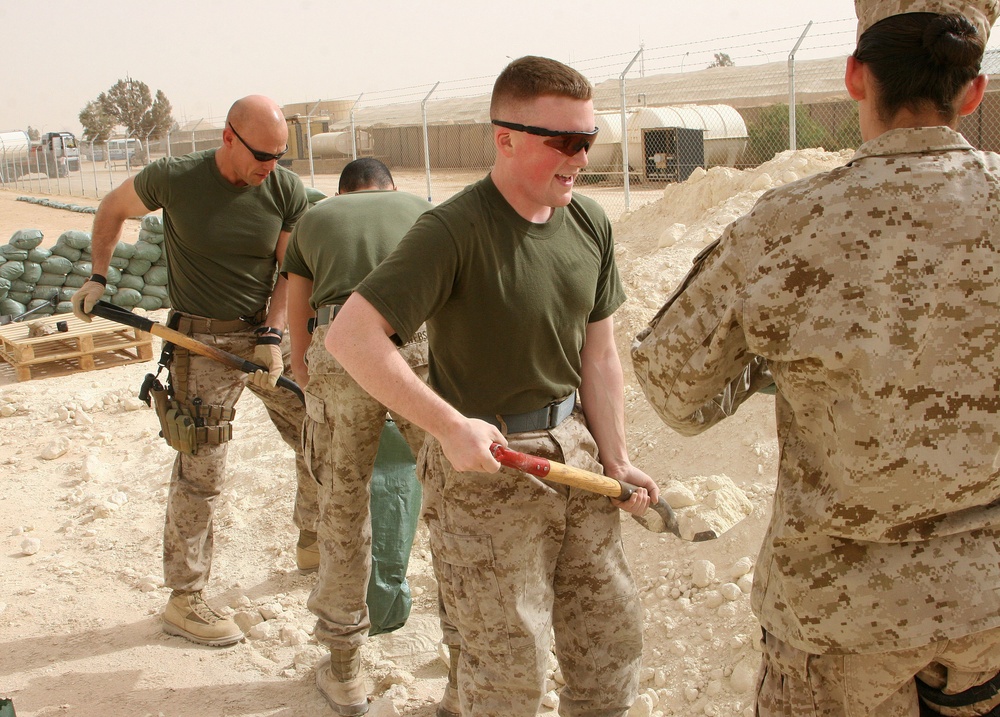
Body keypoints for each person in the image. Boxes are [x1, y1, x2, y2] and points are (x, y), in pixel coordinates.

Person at [632, 2, 1000, 715]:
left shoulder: (783, 225)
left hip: (837, 619)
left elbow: (674, 387)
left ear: (855, 77)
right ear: (975, 91)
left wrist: (777, 366)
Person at [326, 56, 658, 717]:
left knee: (609, 648)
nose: (580, 158)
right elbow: (352, 337)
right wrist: (450, 426)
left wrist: (616, 456)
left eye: (588, 140)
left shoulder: (589, 223)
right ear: (504, 138)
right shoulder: (452, 231)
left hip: (577, 455)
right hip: (490, 467)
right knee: (506, 675)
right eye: (563, 141)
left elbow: (600, 355)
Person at [71, 95, 320, 647]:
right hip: (198, 341)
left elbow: (291, 269)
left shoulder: (283, 189)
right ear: (229, 137)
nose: (271, 167)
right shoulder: (174, 178)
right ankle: (185, 599)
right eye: (262, 154)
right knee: (200, 472)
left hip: (262, 340)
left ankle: (314, 536)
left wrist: (273, 337)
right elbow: (112, 209)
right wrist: (98, 277)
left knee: (316, 431)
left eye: (281, 155)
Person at [280, 158, 439, 715]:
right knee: (450, 498)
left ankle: (345, 670)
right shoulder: (421, 209)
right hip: (416, 343)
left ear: (343, 192)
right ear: (389, 188)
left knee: (342, 510)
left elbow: (298, 324)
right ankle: (470, 654)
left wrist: (309, 382)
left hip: (339, 346)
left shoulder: (314, 219)